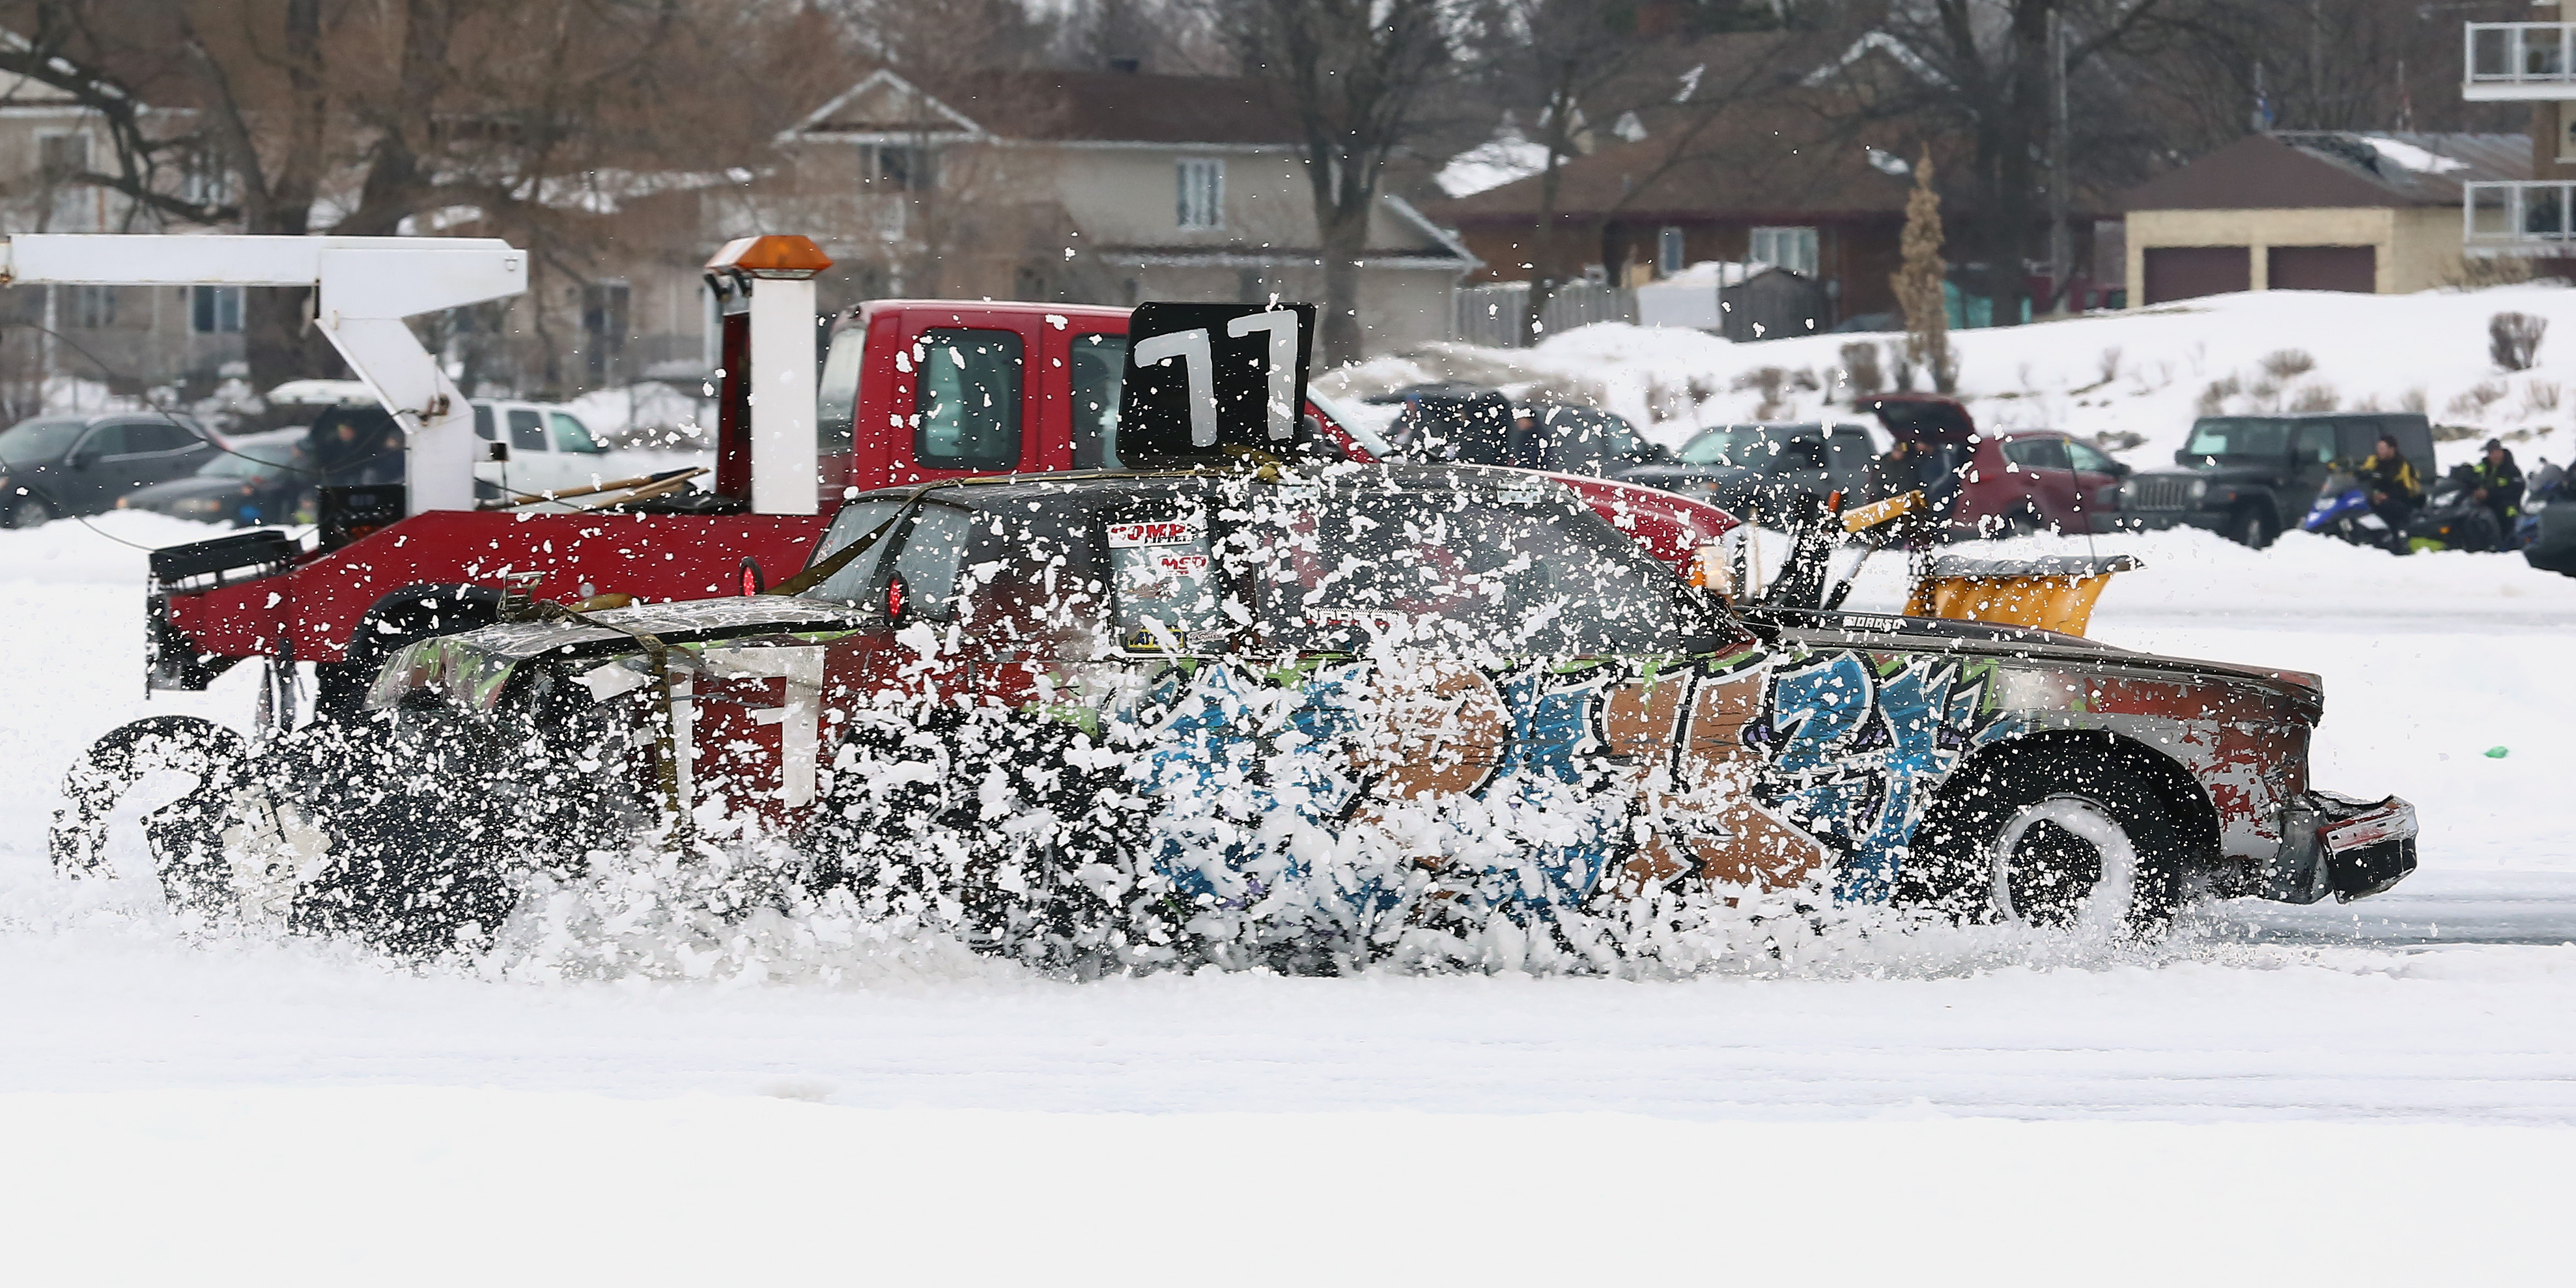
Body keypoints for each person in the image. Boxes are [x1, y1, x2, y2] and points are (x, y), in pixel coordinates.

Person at [2356, 433, 2422, 533]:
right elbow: (2363, 471)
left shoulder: (2402, 465)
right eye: (2378, 448)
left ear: (2392, 449)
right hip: (2377, 496)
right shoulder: (2374, 460)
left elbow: (2407, 489)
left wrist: (2387, 495)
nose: (2379, 451)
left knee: (2389, 507)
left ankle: (2396, 536)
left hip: (2401, 500)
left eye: (2382, 448)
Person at [2467, 438, 2525, 551]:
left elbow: (2517, 489)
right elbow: (2472, 474)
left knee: (2508, 512)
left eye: (2497, 452)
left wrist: (2489, 494)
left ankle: (2509, 543)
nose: (2495, 456)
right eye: (2491, 453)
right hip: (2486, 503)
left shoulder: (2511, 469)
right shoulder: (2484, 466)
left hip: (2507, 502)